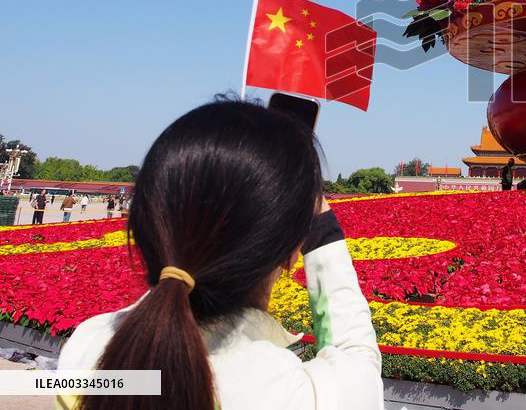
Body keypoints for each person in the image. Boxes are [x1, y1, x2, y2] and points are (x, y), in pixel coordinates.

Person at [57, 100, 384, 410]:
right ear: (290, 252)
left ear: (147, 227)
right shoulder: (289, 391)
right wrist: (322, 230)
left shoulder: (88, 345)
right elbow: (356, 359)